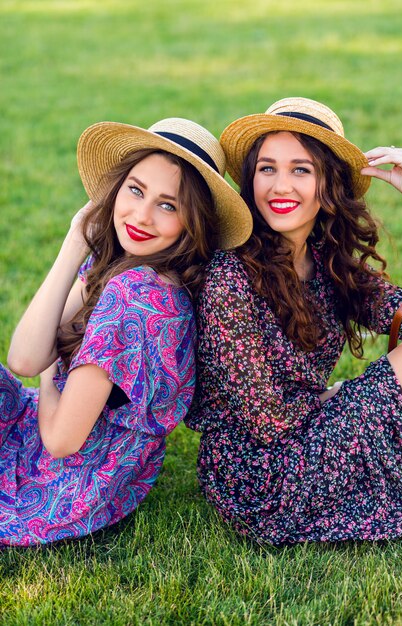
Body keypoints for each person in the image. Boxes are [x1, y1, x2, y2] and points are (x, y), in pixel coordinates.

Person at [0, 117, 252, 546]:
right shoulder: (137, 269)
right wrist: (75, 245)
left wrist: (47, 375)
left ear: (193, 223)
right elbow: (21, 357)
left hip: (63, 481)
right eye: (135, 190)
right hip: (100, 472)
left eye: (168, 205)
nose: (141, 215)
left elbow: (60, 438)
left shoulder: (135, 296)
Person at [185, 97, 402, 545]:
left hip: (314, 438)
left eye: (301, 170)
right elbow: (267, 420)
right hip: (260, 476)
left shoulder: (325, 260)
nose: (280, 186)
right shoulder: (230, 276)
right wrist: (355, 397)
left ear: (328, 183)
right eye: (267, 168)